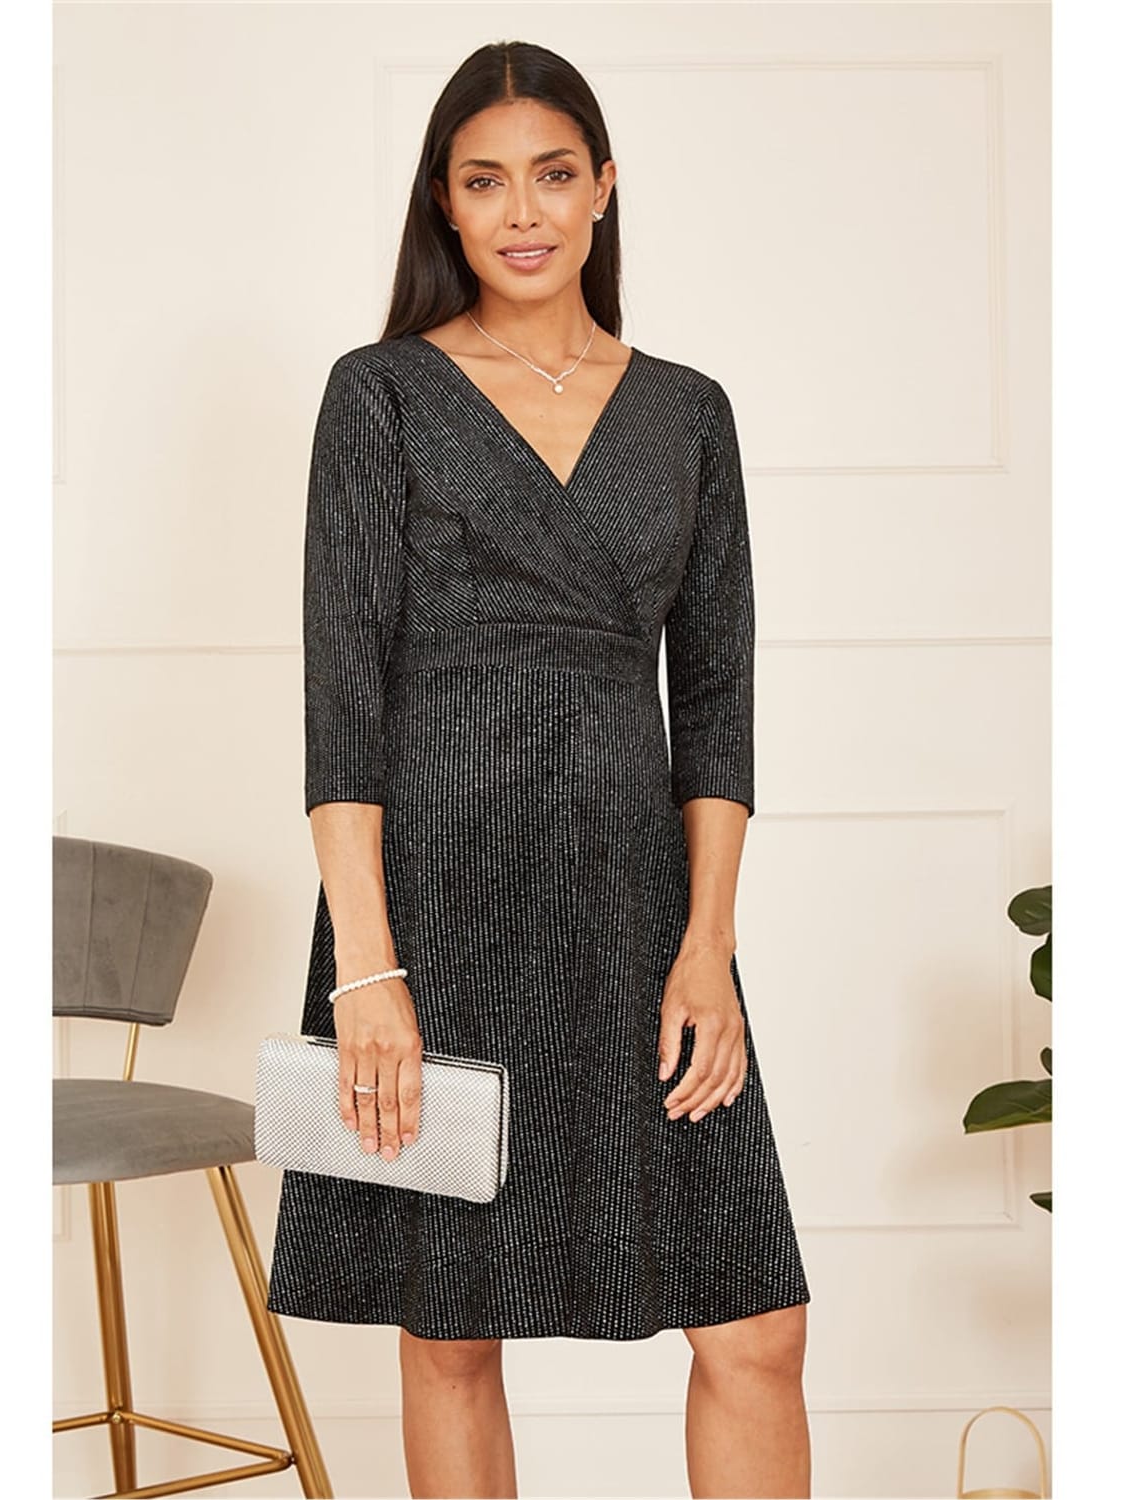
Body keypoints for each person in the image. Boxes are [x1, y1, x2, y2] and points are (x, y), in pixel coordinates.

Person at [266, 39, 814, 1500]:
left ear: (604, 188)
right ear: (444, 204)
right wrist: (365, 970)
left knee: (756, 1326)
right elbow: (341, 700)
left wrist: (708, 947)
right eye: (486, 180)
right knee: (451, 1328)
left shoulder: (686, 411)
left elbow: (718, 703)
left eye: (555, 175)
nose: (524, 212)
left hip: (638, 901)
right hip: (435, 901)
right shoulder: (380, 395)